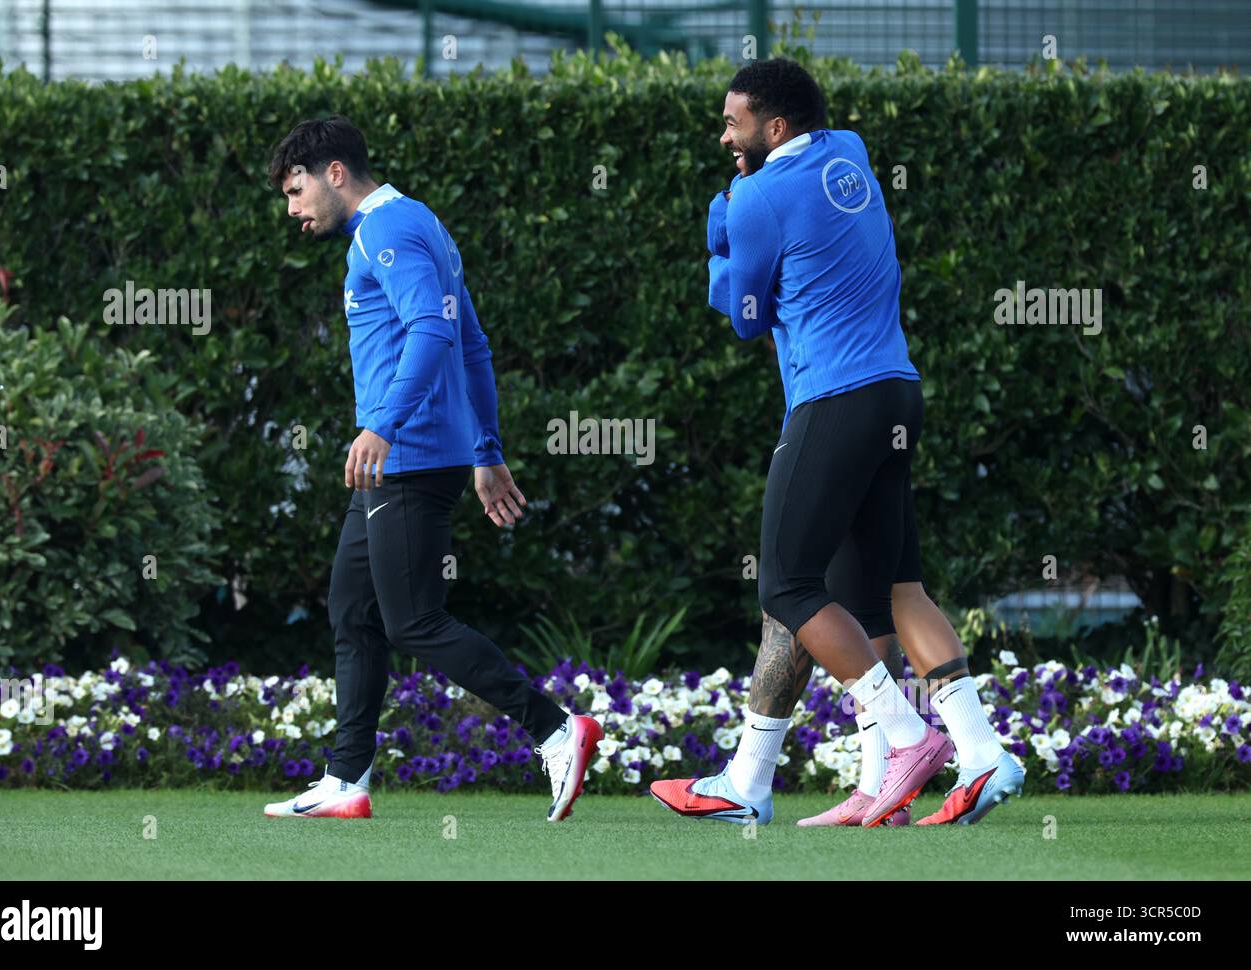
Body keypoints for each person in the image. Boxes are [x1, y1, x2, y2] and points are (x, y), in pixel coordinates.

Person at [650, 59, 1023, 827]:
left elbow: (748, 316)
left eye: (734, 123)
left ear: (774, 127)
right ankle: (962, 759)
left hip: (833, 400)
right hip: (895, 390)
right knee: (888, 590)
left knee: (785, 585)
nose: (725, 136)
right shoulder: (847, 150)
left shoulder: (757, 195)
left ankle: (904, 735)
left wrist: (720, 243)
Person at [261, 116, 601, 822]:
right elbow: (472, 346)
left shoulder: (384, 231)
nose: (292, 210)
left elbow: (434, 331)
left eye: (295, 192)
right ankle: (345, 779)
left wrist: (382, 424)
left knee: (413, 621)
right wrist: (486, 452)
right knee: (351, 610)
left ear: (334, 173)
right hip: (415, 459)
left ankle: (556, 729)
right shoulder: (421, 224)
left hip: (407, 460)